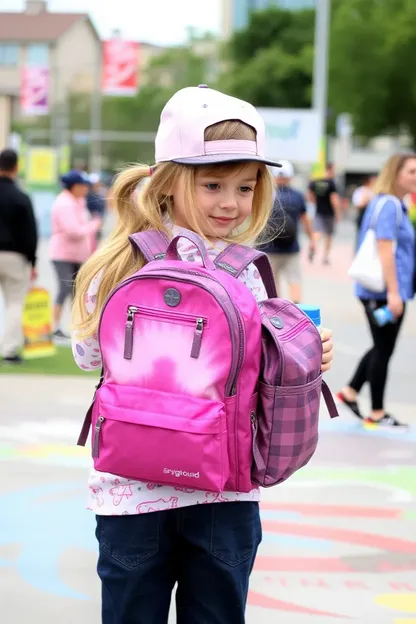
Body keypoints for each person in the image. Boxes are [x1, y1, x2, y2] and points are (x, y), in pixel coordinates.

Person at [71, 85, 334, 624]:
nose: (231, 202)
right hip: (225, 492)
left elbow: (86, 355)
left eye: (244, 186)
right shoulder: (245, 272)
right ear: (168, 182)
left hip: (130, 492)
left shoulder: (120, 261)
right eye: (213, 184)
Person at [338, 153, 416, 427]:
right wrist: (395, 293)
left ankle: (350, 391)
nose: (415, 177)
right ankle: (378, 412)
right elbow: (384, 248)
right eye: (411, 171)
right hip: (383, 291)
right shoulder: (390, 205)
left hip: (385, 290)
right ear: (395, 174)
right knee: (384, 350)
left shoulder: (389, 203)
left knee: (382, 346)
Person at [49, 170, 101, 340]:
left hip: (77, 255)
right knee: (64, 289)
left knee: (78, 291)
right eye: (83, 185)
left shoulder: (77, 201)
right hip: (63, 254)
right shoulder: (64, 203)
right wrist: (94, 225)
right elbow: (74, 231)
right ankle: (55, 326)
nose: (86, 188)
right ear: (75, 186)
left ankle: (76, 326)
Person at [0, 148, 38, 364]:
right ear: (16, 167)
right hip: (15, 257)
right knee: (14, 303)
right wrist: (33, 261)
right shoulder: (21, 197)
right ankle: (10, 351)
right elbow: (30, 232)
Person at [262, 160, 315, 303]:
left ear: (273, 177)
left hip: (269, 249)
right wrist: (312, 240)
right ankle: (296, 310)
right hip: (292, 248)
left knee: (273, 285)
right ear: (290, 177)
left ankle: (277, 313)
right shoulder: (298, 196)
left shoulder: (265, 196)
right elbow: (306, 221)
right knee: (294, 281)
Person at [308, 162, 342, 265]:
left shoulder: (316, 182)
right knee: (329, 235)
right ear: (330, 169)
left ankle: (313, 245)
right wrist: (338, 214)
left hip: (319, 211)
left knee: (317, 232)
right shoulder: (331, 184)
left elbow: (310, 196)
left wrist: (315, 202)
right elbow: (334, 200)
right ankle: (325, 257)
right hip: (329, 213)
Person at [86, 173, 106, 251]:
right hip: (89, 223)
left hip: (97, 223)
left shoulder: (100, 195)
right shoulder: (86, 196)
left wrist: (100, 220)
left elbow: (103, 210)